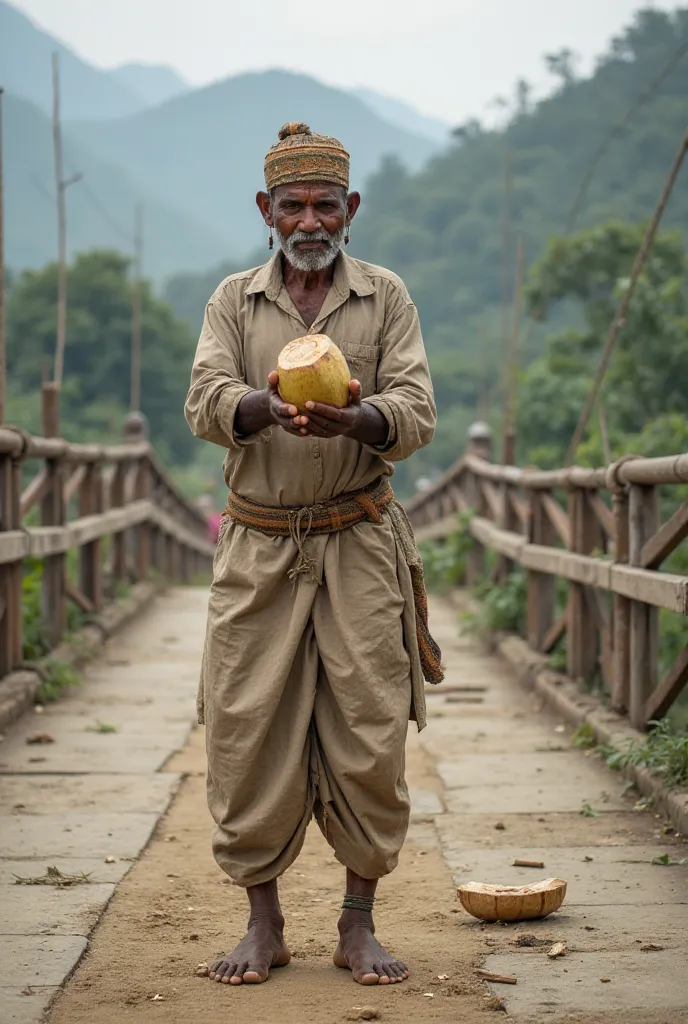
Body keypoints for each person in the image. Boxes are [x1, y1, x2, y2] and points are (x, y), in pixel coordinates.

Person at [185, 121, 440, 989]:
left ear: (351, 208)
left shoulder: (386, 297)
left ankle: (357, 924)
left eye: (325, 203)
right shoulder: (233, 300)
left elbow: (415, 410)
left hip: (359, 540)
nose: (309, 219)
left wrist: (358, 418)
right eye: (291, 204)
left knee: (371, 729)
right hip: (258, 545)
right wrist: (260, 405)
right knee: (245, 729)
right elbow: (205, 400)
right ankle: (264, 925)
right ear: (266, 210)